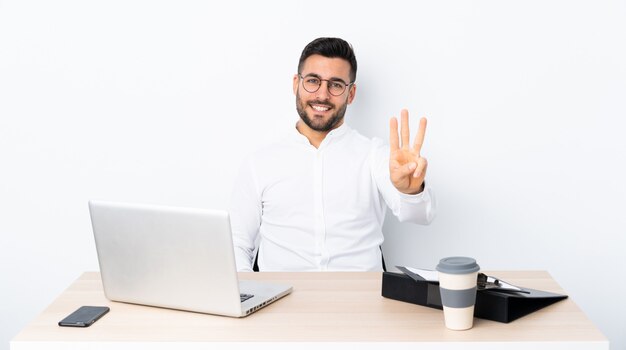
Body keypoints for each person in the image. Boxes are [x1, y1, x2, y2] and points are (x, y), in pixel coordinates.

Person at [230, 37, 435, 272]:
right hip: (281, 302)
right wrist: (251, 297)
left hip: (362, 302)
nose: (322, 94)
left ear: (351, 93)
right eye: (313, 81)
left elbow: (421, 215)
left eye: (336, 84)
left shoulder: (375, 156)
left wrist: (410, 191)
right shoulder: (260, 164)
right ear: (296, 84)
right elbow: (237, 244)